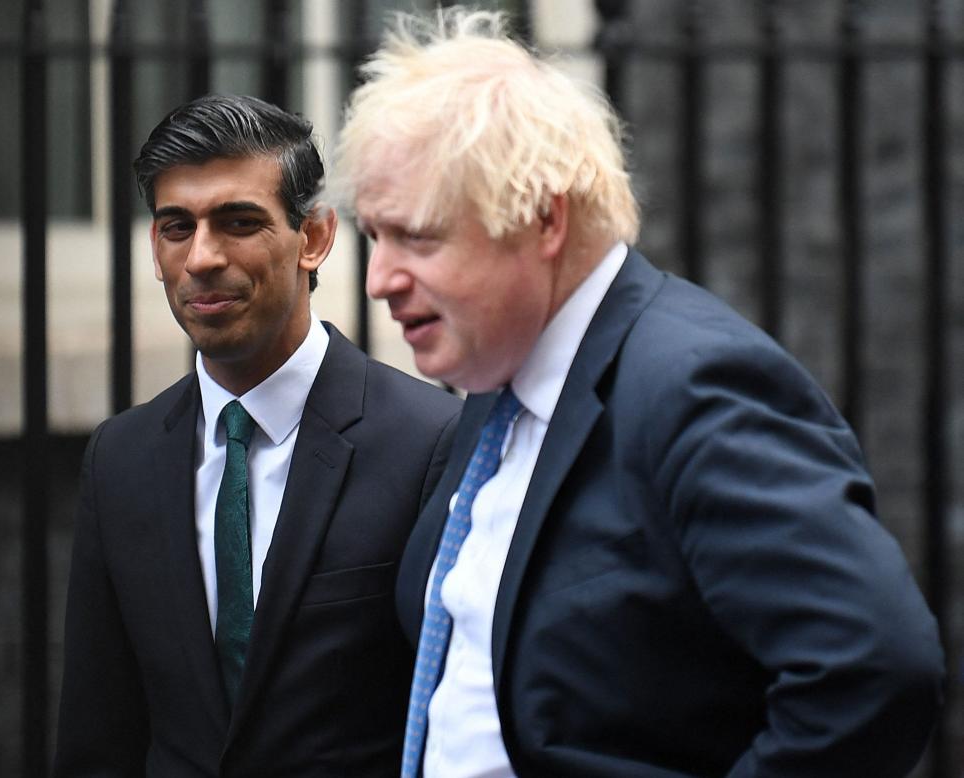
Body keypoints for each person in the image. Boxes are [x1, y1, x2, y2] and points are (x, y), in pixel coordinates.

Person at [331, 10, 945, 778]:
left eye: (417, 237)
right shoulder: (499, 386)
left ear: (543, 218)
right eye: (374, 237)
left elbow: (875, 669)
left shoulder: (696, 388)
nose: (379, 280)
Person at [53, 94, 461, 777]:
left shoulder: (428, 442)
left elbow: (454, 726)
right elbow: (100, 736)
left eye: (238, 222)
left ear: (315, 238)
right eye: (176, 227)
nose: (202, 257)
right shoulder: (118, 459)